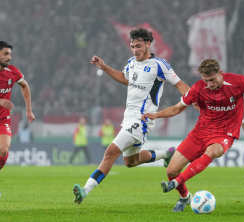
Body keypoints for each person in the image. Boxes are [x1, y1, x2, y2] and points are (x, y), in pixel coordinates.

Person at [141, 58, 244, 212]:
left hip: (225, 133)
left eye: (212, 79)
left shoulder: (237, 81)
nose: (209, 84)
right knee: (171, 171)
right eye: (206, 80)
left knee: (212, 152)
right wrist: (156, 114)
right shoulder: (198, 88)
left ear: (220, 74)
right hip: (200, 132)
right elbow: (177, 108)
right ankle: (184, 197)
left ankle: (177, 182)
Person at [72, 28, 194, 205]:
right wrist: (105, 67)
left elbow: (181, 85)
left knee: (110, 153)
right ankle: (166, 154)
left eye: (138, 46)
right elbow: (125, 78)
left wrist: (195, 99)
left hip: (142, 120)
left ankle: (85, 190)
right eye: (132, 46)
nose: (135, 50)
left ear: (148, 44)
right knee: (130, 161)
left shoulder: (160, 65)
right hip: (128, 118)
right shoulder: (131, 62)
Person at [0, 41, 35, 171]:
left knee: (3, 150)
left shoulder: (12, 71)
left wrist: (29, 110)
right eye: (5, 54)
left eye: (9, 54)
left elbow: (25, 86)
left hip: (3, 119)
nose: (9, 57)